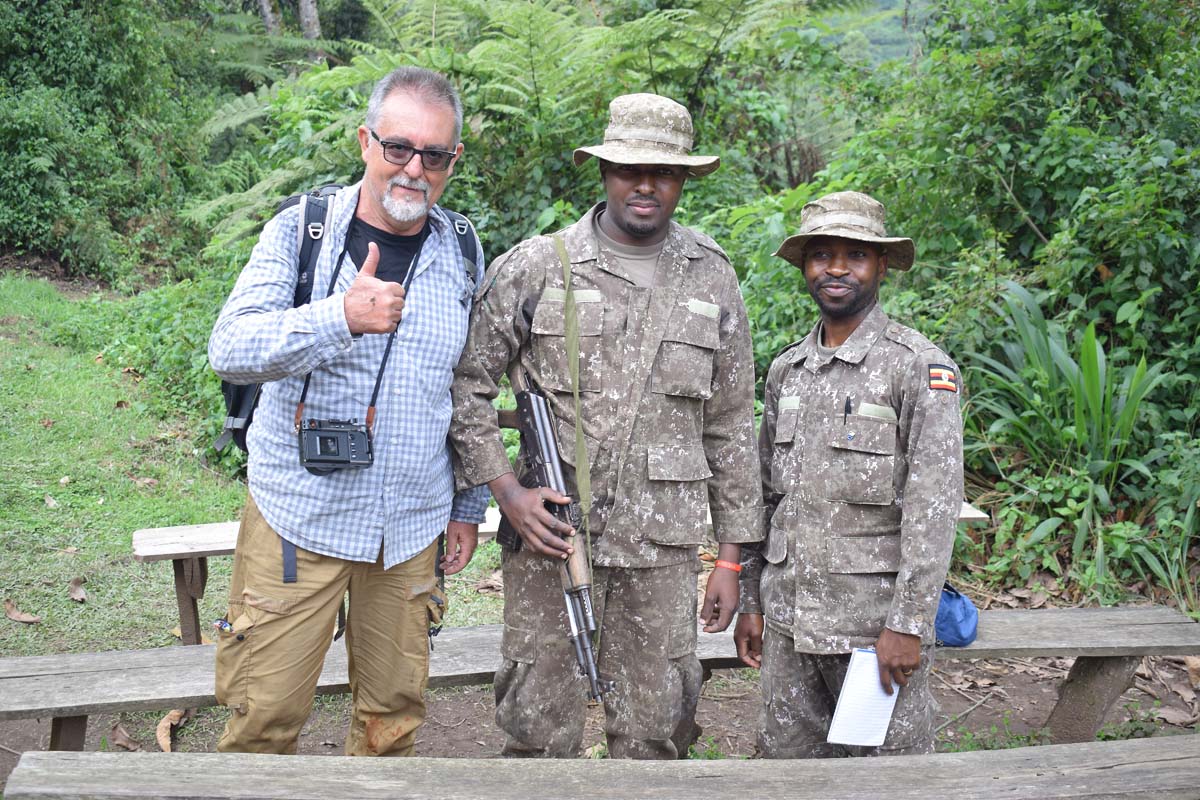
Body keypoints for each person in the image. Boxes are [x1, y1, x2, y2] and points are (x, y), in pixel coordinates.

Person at [449, 93, 763, 759]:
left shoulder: (712, 277)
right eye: (628, 169)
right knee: (537, 728)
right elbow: (465, 386)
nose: (645, 185)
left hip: (662, 549)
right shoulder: (537, 266)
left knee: (655, 731)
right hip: (550, 541)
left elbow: (732, 424)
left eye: (664, 172)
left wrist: (732, 558)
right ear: (602, 171)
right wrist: (507, 492)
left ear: (683, 180)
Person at [207, 66, 488, 756]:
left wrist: (467, 503)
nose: (414, 170)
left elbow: (469, 386)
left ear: (454, 161)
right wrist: (339, 317)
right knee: (262, 716)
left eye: (435, 155)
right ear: (366, 141)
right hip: (298, 519)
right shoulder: (303, 232)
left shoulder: (463, 250)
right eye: (398, 148)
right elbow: (231, 346)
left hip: (411, 528)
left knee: (392, 719)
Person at [734, 190, 964, 758]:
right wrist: (751, 601)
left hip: (872, 632)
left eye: (855, 255)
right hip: (788, 624)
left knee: (887, 782)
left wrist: (908, 623)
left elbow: (933, 509)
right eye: (821, 255)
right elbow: (767, 498)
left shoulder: (917, 366)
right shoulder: (788, 369)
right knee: (791, 775)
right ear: (804, 266)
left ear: (881, 265)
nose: (836, 269)